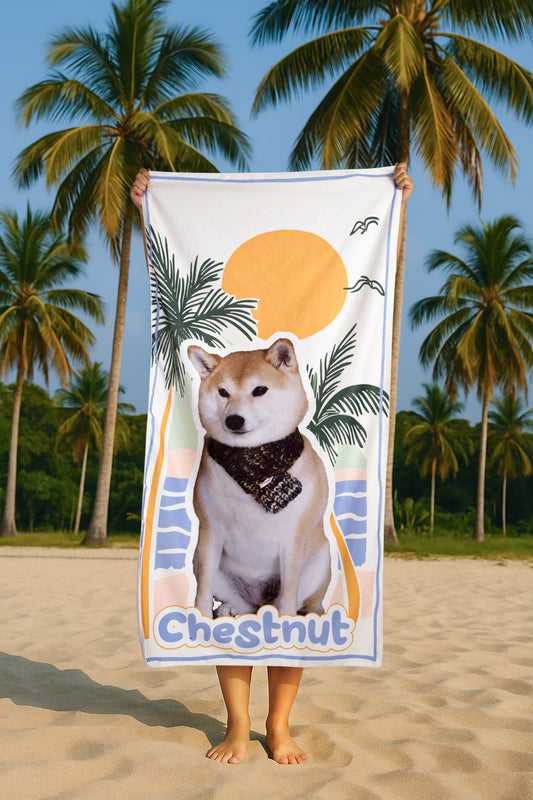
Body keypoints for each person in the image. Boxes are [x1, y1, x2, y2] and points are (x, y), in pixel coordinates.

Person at [130, 163, 413, 765]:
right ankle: (237, 725)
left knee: (291, 621)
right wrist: (152, 211)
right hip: (231, 574)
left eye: (257, 393)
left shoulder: (303, 457)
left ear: (286, 372)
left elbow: (301, 535)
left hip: (296, 570)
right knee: (231, 624)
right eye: (226, 395)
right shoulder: (214, 460)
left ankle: (279, 726)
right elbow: (212, 536)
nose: (238, 410)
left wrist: (391, 202)